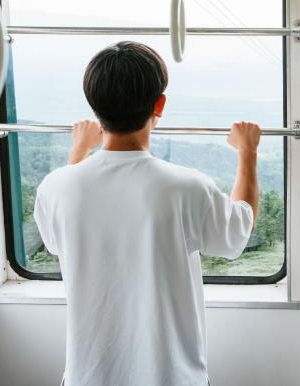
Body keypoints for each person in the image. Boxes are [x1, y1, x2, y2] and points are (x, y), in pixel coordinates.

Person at [34, 41, 260, 386]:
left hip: (86, 378)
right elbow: (238, 230)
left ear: (94, 106)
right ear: (159, 104)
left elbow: (59, 234)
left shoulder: (56, 186)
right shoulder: (186, 187)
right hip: (173, 377)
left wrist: (79, 148)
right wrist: (248, 152)